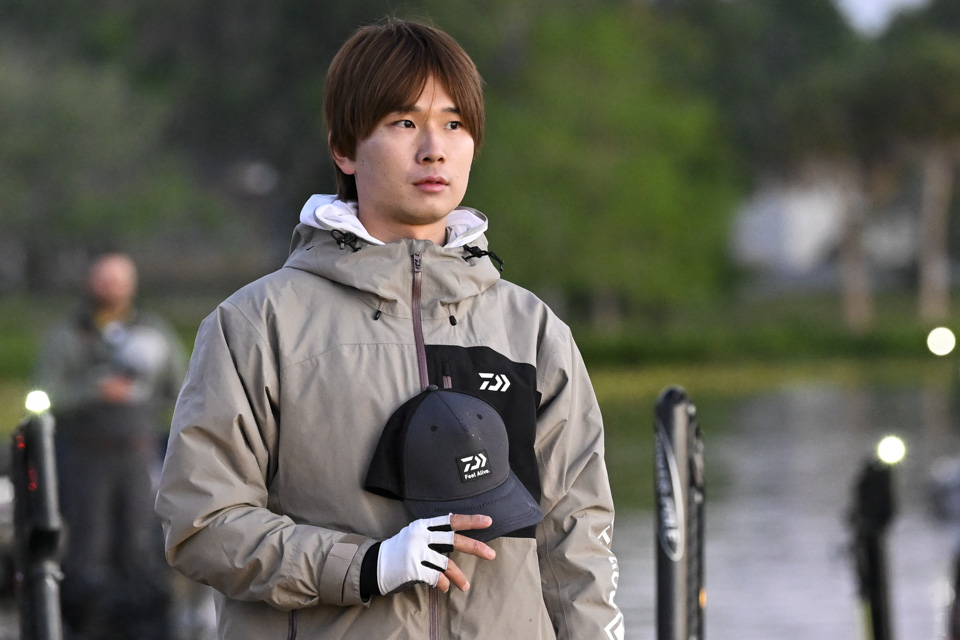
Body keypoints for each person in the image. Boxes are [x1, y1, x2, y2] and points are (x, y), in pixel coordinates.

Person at [156, 17, 623, 640]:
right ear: (344, 149)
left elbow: (576, 539)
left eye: (454, 124)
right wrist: (366, 565)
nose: (434, 148)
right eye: (404, 123)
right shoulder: (255, 325)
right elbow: (201, 524)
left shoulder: (533, 330)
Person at [35, 253, 187, 640]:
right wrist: (94, 391)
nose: (111, 288)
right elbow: (46, 394)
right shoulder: (68, 334)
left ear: (132, 284)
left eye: (118, 280)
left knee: (141, 542)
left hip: (138, 453)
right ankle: (86, 624)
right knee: (89, 545)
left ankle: (144, 623)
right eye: (104, 280)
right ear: (90, 282)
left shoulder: (155, 334)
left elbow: (183, 390)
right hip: (85, 454)